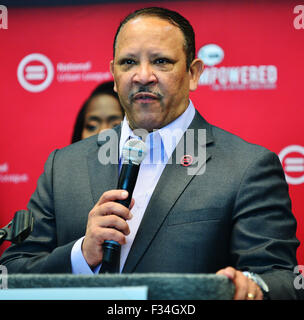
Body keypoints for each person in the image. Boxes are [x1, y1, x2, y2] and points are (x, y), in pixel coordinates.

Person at [0, 7, 302, 300]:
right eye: (128, 62)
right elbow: (12, 274)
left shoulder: (247, 167)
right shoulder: (64, 166)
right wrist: (80, 255)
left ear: (193, 73)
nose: (143, 76)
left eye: (161, 61)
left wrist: (249, 288)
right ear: (114, 76)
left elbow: (280, 278)